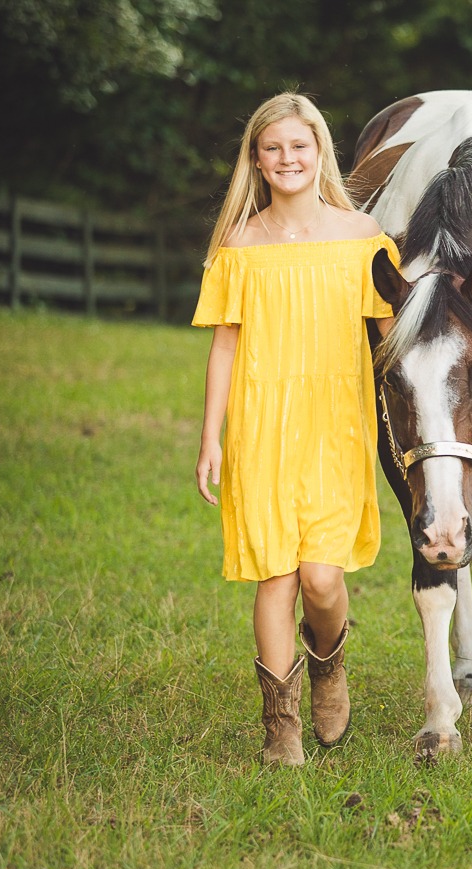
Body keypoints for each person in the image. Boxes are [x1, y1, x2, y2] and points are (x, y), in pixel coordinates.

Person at [192, 93, 399, 767]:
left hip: (336, 426)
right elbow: (224, 346)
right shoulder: (241, 246)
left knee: (320, 580)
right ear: (257, 159)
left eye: (299, 147)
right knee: (275, 576)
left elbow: (394, 342)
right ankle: (279, 725)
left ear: (320, 154)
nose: (287, 159)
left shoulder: (363, 237)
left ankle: (329, 664)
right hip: (262, 428)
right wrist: (210, 438)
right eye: (273, 148)